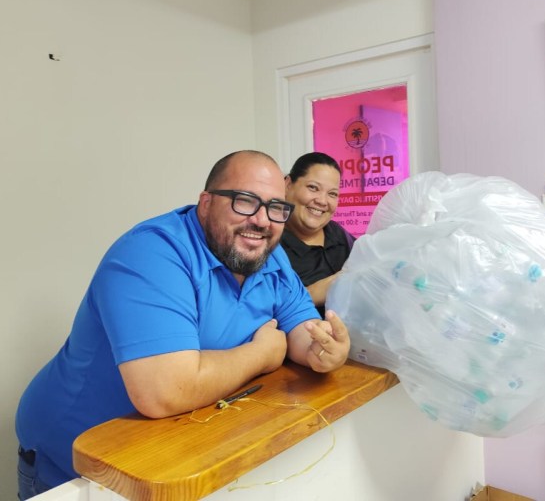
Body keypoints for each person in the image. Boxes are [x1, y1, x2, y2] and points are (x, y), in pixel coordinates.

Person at [15, 150, 350, 500]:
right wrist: (262, 354)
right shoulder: (151, 254)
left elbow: (302, 327)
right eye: (244, 201)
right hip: (75, 464)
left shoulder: (266, 252)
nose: (262, 220)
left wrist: (322, 350)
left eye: (275, 207)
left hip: (171, 450)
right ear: (206, 203)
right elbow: (164, 392)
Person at [281, 152, 355, 317]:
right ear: (287, 185)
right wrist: (314, 293)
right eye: (313, 188)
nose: (322, 201)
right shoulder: (269, 244)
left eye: (332, 194)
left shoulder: (337, 234)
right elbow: (261, 309)